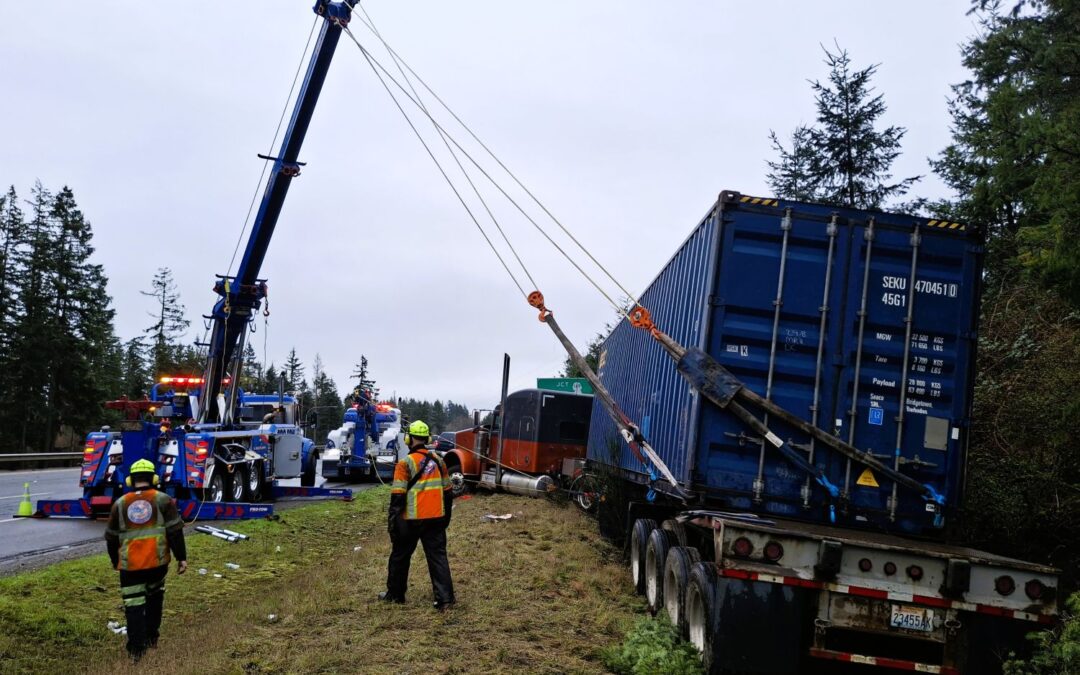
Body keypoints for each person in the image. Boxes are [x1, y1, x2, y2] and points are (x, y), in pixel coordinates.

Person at [104, 459, 188, 661]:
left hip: (130, 566)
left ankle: (136, 651)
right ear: (154, 478)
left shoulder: (120, 503)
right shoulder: (163, 500)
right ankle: (152, 638)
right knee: (154, 599)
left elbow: (111, 537)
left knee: (133, 605)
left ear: (131, 480)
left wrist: (116, 560)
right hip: (157, 564)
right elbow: (175, 532)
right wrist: (181, 558)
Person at [380, 420, 456, 610]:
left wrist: (393, 523)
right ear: (427, 439)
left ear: (409, 439)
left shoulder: (404, 464)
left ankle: (395, 595)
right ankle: (445, 600)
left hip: (410, 520)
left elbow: (397, 498)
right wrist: (445, 519)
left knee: (400, 556)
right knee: (438, 557)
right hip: (436, 518)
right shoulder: (439, 460)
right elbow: (448, 492)